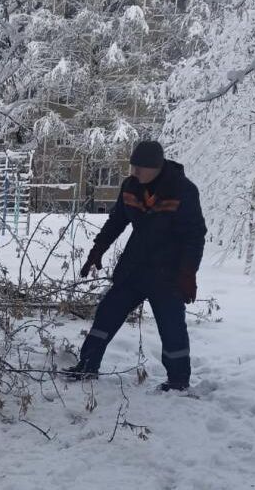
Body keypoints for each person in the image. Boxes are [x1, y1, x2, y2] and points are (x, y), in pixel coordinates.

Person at [64, 140, 207, 391]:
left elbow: (194, 236)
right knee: (106, 316)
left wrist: (188, 274)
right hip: (134, 267)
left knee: (171, 327)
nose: (134, 172)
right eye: (133, 166)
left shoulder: (182, 190)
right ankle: (86, 366)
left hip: (168, 273)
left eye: (140, 168)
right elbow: (116, 221)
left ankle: (178, 380)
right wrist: (97, 250)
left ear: (157, 167)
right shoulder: (130, 187)